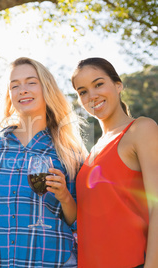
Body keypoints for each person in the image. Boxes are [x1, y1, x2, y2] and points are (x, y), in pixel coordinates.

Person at [0, 57, 87, 267]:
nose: (23, 90)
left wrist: (64, 195)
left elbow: (78, 219)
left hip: (54, 261)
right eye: (15, 85)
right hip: (2, 261)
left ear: (46, 88)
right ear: (9, 96)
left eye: (31, 82)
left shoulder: (68, 151)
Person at [71, 57, 158, 268]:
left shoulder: (141, 129)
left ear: (118, 85)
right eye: (83, 91)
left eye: (98, 84)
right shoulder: (91, 152)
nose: (92, 96)